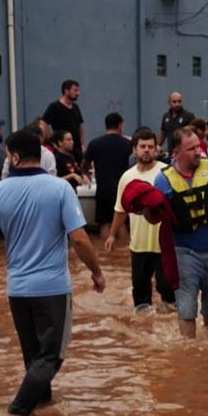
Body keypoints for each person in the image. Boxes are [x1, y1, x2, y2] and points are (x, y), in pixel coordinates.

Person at [0, 130, 105, 416]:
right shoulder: (59, 189)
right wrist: (96, 272)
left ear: (15, 157)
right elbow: (80, 239)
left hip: (17, 290)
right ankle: (19, 411)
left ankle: (41, 412)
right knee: (51, 358)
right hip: (53, 289)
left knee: (34, 357)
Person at [154, 128, 208, 338]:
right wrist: (148, 209)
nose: (198, 152)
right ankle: (189, 350)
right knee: (186, 306)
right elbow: (153, 218)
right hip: (183, 252)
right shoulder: (163, 180)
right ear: (176, 153)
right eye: (191, 148)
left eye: (199, 146)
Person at [109, 129, 177, 312]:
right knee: (140, 298)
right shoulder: (127, 177)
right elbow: (120, 209)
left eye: (150, 147)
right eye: (142, 146)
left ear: (156, 149)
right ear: (134, 150)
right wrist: (112, 235)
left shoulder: (166, 173)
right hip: (138, 246)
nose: (146, 150)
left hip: (164, 245)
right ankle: (143, 331)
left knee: (169, 295)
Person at [85, 112, 132, 241]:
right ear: (120, 126)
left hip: (103, 189)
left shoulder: (94, 144)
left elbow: (84, 164)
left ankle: (106, 254)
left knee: (105, 223)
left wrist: (85, 175)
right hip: (122, 189)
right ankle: (123, 256)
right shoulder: (128, 144)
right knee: (121, 222)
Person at [42, 79, 85, 163]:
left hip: (76, 149)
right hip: (62, 151)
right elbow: (44, 123)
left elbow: (80, 126)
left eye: (78, 90)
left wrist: (82, 144)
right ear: (66, 91)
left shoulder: (75, 107)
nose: (78, 93)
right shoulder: (54, 106)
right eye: (75, 90)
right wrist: (52, 140)